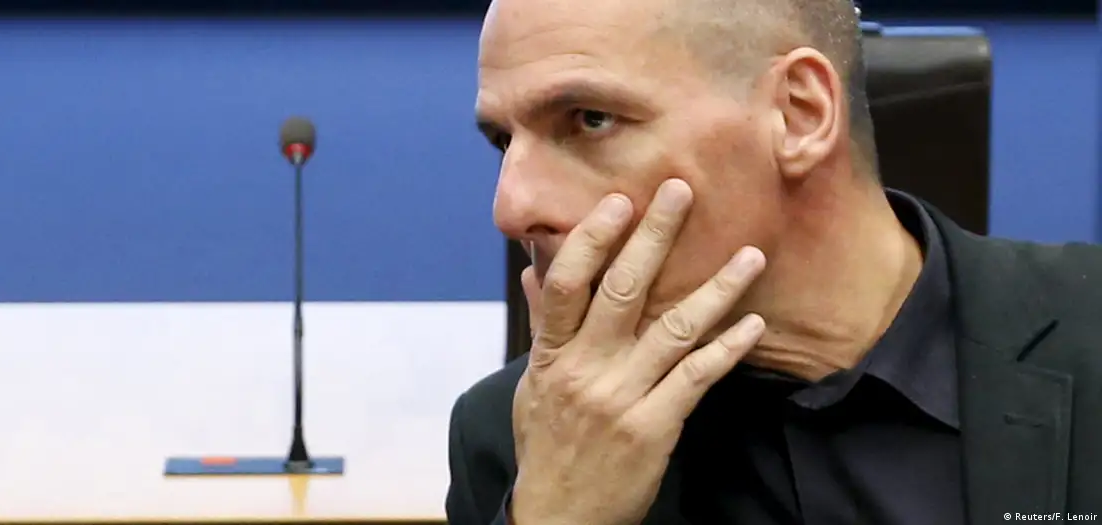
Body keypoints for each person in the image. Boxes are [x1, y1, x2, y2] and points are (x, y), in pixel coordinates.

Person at [445, 0, 1102, 523]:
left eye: (591, 119)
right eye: (503, 139)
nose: (512, 207)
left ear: (799, 114)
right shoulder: (524, 442)